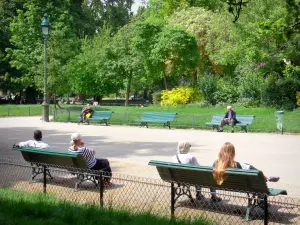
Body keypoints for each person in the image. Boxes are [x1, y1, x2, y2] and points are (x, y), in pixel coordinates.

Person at [212, 142, 280, 202]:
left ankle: (213, 197)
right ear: (233, 153)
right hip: (241, 186)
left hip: (221, 184)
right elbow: (245, 178)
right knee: (257, 179)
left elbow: (212, 177)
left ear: (221, 152)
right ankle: (265, 180)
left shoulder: (215, 164)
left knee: (247, 166)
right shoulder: (236, 164)